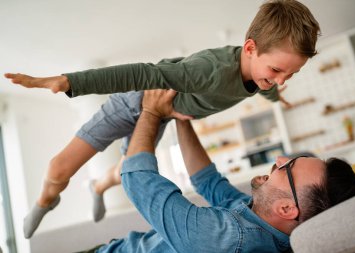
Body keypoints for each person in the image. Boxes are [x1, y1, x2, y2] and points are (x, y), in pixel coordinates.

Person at [4, 0, 321, 238]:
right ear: (250, 48)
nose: (281, 78)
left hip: (160, 117)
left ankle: (98, 188)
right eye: (278, 71)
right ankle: (46, 201)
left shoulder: (257, 74)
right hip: (135, 103)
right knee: (59, 169)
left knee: (124, 170)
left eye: (290, 74)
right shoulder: (207, 71)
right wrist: (70, 82)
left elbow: (258, 85)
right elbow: (143, 73)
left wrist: (274, 94)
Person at [81, 89, 355, 253]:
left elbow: (138, 180)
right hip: (120, 246)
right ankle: (98, 186)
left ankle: (97, 187)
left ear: (288, 208)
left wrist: (152, 111)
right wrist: (182, 118)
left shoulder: (231, 240)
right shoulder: (257, 217)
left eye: (287, 167)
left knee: (128, 155)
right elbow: (207, 180)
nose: (278, 159)